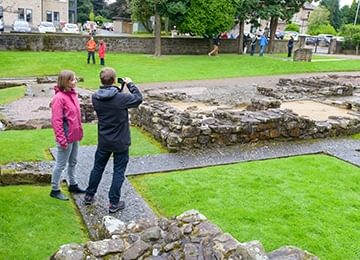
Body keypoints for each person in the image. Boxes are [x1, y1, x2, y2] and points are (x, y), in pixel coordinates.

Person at [84, 67, 143, 213]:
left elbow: (112, 99)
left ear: (101, 80)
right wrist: (130, 84)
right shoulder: (121, 98)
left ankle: (89, 195)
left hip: (104, 140)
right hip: (120, 141)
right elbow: (138, 98)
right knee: (118, 171)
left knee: (97, 168)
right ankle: (113, 203)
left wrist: (119, 89)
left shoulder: (95, 97)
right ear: (113, 80)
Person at [50, 70, 85, 200]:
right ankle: (54, 189)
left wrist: (79, 132)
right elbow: (56, 121)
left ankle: (73, 184)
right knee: (61, 164)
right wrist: (61, 139)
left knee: (73, 161)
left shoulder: (73, 95)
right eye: (73, 79)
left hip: (74, 135)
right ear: (66, 82)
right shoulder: (59, 98)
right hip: (65, 136)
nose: (75, 81)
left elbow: (75, 117)